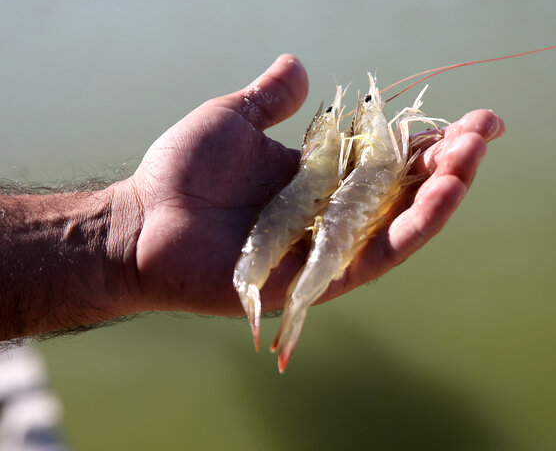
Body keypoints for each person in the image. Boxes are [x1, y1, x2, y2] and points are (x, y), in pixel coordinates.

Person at [0, 54, 504, 343]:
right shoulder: (347, 154)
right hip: (286, 224)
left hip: (304, 213)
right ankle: (279, 305)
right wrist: (128, 233)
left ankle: (281, 305)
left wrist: (125, 236)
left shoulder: (331, 149)